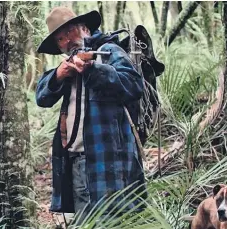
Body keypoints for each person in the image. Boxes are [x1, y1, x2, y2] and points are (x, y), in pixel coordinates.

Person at [35, 7, 148, 219]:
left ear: (85, 28)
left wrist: (93, 69)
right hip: (77, 162)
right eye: (60, 39)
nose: (67, 41)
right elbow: (41, 97)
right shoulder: (65, 66)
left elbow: (134, 86)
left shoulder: (109, 51)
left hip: (110, 161)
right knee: (85, 222)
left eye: (70, 32)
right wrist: (59, 75)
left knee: (113, 221)